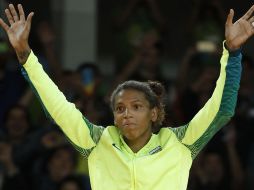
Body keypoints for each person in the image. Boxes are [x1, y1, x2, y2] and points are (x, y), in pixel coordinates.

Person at [0, 3, 253, 190]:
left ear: (154, 113)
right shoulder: (97, 142)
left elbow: (221, 109)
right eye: (119, 108)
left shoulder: (180, 143)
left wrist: (232, 53)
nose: (126, 113)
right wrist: (25, 54)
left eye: (136, 106)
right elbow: (56, 106)